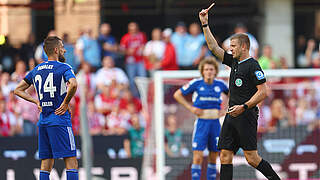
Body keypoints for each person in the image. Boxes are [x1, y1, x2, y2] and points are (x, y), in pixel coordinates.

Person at [199, 8, 280, 180]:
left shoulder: (253, 65)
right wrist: (205, 23)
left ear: (244, 47)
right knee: (225, 156)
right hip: (231, 115)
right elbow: (213, 47)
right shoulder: (233, 61)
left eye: (233, 46)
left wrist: (243, 107)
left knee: (252, 158)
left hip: (246, 115)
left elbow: (263, 92)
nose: (230, 49)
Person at [14, 36, 79, 180]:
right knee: (71, 160)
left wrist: (36, 101)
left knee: (46, 162)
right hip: (60, 118)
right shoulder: (64, 67)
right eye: (62, 47)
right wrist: (66, 103)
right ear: (56, 50)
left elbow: (18, 90)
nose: (64, 50)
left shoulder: (37, 69)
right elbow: (73, 84)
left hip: (43, 121)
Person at [173, 57, 229, 180]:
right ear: (202, 71)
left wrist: (226, 110)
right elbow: (177, 94)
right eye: (206, 69)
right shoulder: (196, 83)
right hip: (201, 123)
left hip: (215, 123)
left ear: (215, 71)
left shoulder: (220, 84)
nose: (209, 71)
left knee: (213, 157)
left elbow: (233, 96)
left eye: (211, 69)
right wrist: (191, 108)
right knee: (197, 157)